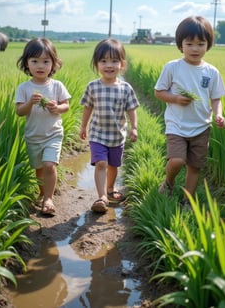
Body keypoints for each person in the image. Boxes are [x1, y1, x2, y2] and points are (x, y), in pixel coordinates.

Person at [154, 16, 225, 209]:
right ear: (180, 45)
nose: (195, 49)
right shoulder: (172, 67)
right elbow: (159, 92)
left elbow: (216, 98)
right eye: (189, 43)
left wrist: (219, 114)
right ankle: (169, 182)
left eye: (201, 43)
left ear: (208, 45)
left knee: (195, 167)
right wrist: (176, 99)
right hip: (177, 124)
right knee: (177, 160)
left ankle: (187, 201)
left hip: (202, 126)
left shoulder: (212, 72)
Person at [79, 38, 139, 213]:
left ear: (122, 64)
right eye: (103, 61)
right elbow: (87, 108)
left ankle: (110, 188)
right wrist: (83, 127)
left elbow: (131, 109)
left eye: (114, 61)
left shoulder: (126, 88)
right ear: (96, 64)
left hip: (117, 135)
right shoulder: (93, 86)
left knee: (114, 165)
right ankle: (101, 197)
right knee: (102, 164)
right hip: (97, 134)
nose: (109, 65)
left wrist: (134, 127)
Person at [15, 38, 71, 216]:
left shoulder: (57, 86)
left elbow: (66, 105)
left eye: (46, 61)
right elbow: (20, 112)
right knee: (38, 168)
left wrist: (57, 108)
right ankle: (41, 193)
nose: (40, 65)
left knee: (49, 165)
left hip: (53, 134)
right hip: (33, 136)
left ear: (53, 63)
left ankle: (49, 198)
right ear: (26, 64)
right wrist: (30, 102)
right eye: (35, 61)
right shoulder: (24, 88)